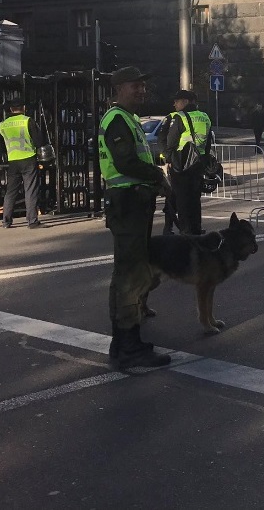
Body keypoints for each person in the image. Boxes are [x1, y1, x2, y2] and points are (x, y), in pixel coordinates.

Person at [98, 66, 171, 369]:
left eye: (143, 86)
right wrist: (157, 175)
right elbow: (125, 162)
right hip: (127, 204)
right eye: (134, 86)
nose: (141, 91)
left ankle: (123, 343)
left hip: (133, 204)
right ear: (118, 89)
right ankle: (128, 346)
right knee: (131, 276)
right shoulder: (117, 120)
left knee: (127, 274)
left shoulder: (128, 119)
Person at [165, 89, 214, 236]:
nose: (174, 104)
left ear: (185, 102)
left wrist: (169, 160)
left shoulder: (181, 117)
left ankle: (185, 230)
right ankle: (196, 228)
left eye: (177, 101)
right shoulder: (205, 117)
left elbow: (171, 142)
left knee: (182, 200)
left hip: (181, 165)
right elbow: (207, 143)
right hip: (198, 164)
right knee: (195, 198)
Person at [0, 98, 48, 229]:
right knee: (30, 190)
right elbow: (39, 141)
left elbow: (1, 144)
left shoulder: (3, 124)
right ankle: (32, 221)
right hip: (28, 158)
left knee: (11, 191)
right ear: (24, 108)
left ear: (10, 109)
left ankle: (6, 221)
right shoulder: (28, 121)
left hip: (12, 160)